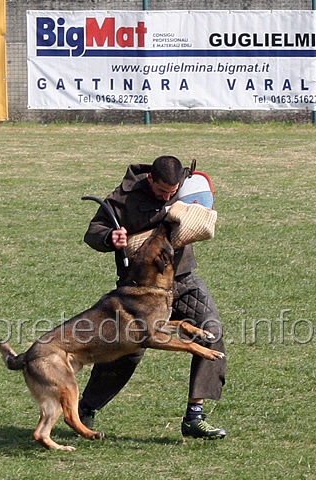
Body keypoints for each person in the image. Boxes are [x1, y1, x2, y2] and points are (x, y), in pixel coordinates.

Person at [79, 155, 226, 439]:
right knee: (127, 352)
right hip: (139, 287)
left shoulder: (186, 183)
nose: (167, 197)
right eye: (162, 192)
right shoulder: (123, 199)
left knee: (210, 331)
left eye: (172, 193)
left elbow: (201, 203)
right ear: (150, 180)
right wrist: (110, 238)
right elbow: (93, 232)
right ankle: (86, 407)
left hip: (182, 278)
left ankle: (195, 416)